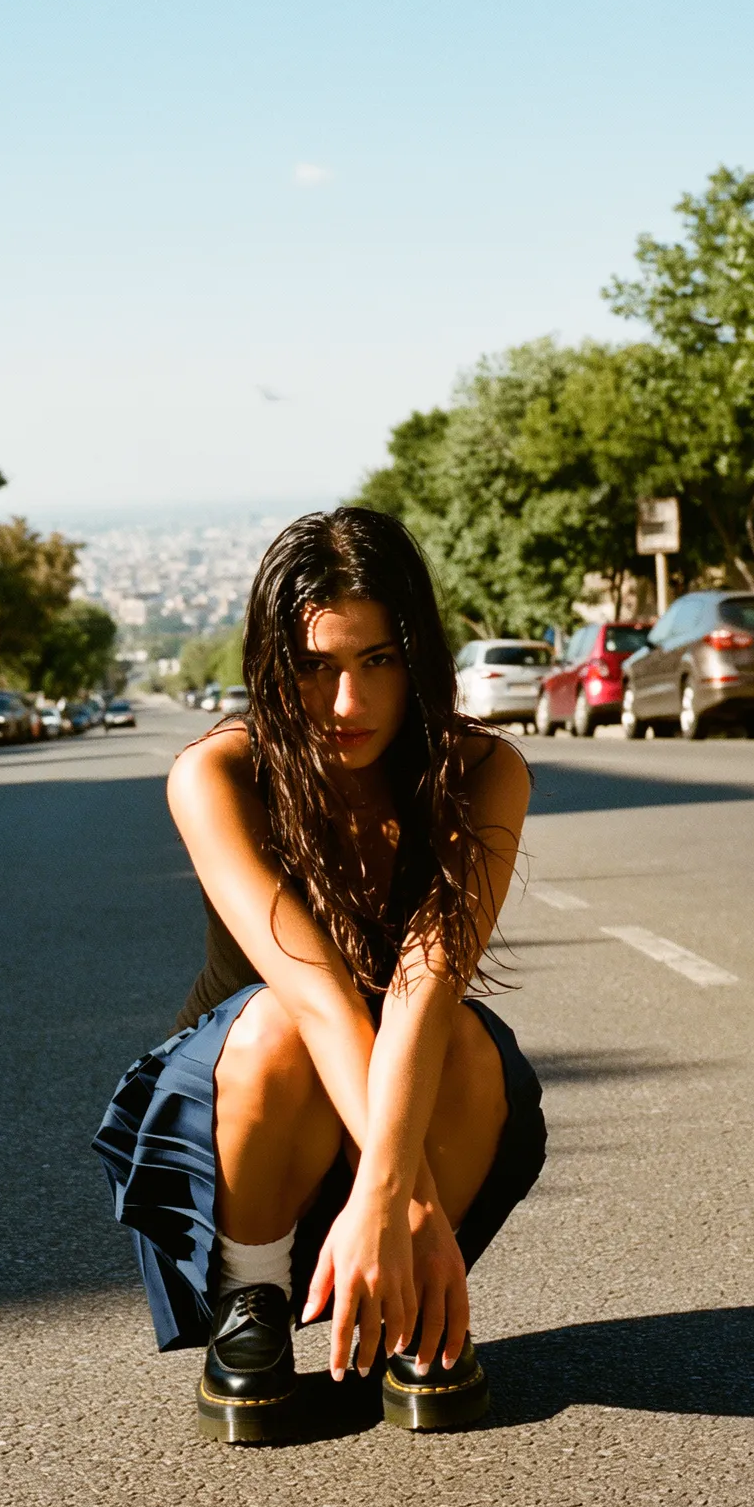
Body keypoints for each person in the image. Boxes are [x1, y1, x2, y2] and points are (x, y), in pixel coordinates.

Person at [94, 506, 545, 1442]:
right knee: (280, 1021)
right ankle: (252, 1297)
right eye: (314, 666)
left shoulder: (483, 770)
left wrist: (392, 1192)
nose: (349, 703)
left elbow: (425, 985)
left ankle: (413, 1309)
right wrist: (406, 1198)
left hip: (403, 1117)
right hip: (257, 1125)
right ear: (271, 667)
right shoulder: (217, 775)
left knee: (461, 1038)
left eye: (379, 660)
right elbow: (321, 997)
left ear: (419, 658)